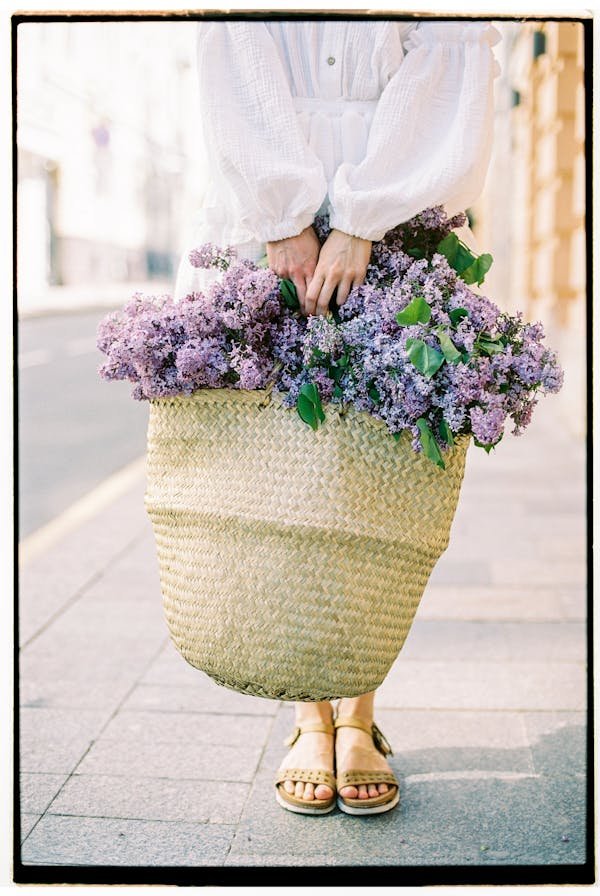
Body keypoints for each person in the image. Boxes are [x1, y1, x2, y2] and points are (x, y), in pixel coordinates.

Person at [175, 17, 500, 816]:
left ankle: (358, 714)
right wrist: (281, 213)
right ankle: (306, 714)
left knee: (371, 482)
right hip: (265, 221)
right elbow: (229, 43)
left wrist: (365, 217)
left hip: (393, 206)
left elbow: (452, 55)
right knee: (277, 476)